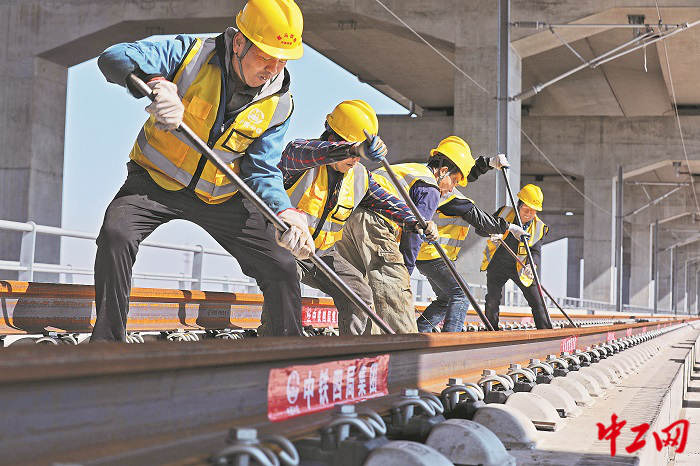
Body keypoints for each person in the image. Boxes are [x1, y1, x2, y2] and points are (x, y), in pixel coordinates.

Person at [91, 0, 312, 341]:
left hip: (221, 197)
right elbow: (113, 57)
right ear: (239, 43)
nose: (273, 68)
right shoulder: (189, 55)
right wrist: (156, 84)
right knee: (116, 234)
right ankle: (107, 345)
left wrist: (285, 213)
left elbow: (261, 169)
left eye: (282, 59)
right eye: (265, 56)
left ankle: (287, 355)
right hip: (154, 183)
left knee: (282, 266)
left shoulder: (280, 101)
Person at [280, 100, 430, 335]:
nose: (355, 160)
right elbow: (296, 151)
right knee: (284, 288)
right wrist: (352, 149)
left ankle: (352, 351)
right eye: (352, 152)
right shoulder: (301, 157)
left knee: (359, 293)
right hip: (286, 246)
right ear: (331, 138)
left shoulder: (359, 177)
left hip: (321, 254)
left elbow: (388, 203)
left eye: (360, 155)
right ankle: (274, 345)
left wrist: (417, 222)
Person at [334, 136, 472, 334]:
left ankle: (359, 346)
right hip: (376, 222)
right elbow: (414, 233)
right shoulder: (430, 187)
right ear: (443, 171)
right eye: (455, 181)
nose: (451, 189)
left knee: (361, 291)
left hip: (348, 219)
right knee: (395, 291)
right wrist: (405, 272)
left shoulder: (408, 170)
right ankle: (408, 350)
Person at [414, 142, 529, 332]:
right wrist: (509, 226)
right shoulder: (452, 199)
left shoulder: (435, 184)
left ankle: (418, 333)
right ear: (444, 171)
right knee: (461, 294)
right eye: (456, 180)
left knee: (445, 299)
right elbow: (481, 220)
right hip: (433, 255)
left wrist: (488, 163)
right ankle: (450, 342)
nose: (456, 185)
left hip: (428, 255)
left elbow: (465, 172)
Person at [479, 184, 552, 330]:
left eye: (533, 211)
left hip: (521, 268)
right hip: (497, 264)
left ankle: (545, 333)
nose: (529, 214)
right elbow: (480, 228)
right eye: (526, 209)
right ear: (519, 205)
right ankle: (491, 332)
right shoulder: (504, 213)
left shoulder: (539, 227)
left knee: (538, 302)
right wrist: (492, 232)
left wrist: (532, 265)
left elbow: (535, 251)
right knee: (492, 300)